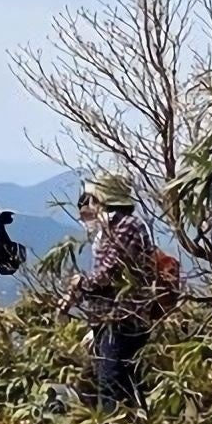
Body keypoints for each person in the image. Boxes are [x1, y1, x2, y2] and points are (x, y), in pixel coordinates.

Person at [66, 172, 157, 410]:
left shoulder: (125, 226)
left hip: (121, 317)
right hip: (111, 315)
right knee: (114, 376)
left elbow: (110, 271)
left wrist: (81, 283)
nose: (89, 204)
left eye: (92, 198)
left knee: (111, 378)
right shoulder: (114, 226)